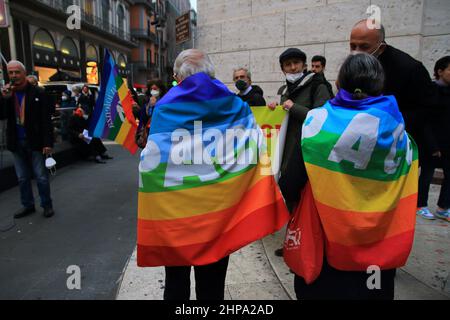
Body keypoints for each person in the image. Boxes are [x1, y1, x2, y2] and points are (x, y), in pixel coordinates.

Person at [137, 49, 289, 300]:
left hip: (176, 214)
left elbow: (152, 162)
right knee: (213, 282)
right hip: (219, 213)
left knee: (176, 280)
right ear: (212, 73)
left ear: (178, 77)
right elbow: (255, 149)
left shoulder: (165, 107)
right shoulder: (235, 105)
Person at [289, 53, 418, 300]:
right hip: (379, 254)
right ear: (380, 86)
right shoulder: (401, 135)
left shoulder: (317, 125)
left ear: (338, 83)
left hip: (326, 250)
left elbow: (291, 183)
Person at [349, 20, 437, 219]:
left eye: (364, 47)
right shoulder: (354, 66)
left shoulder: (410, 69)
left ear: (381, 47)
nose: (356, 52)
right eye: (352, 46)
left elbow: (427, 109)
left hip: (393, 147)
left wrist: (387, 123)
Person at [269, 48, 333, 257]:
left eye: (296, 63)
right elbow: (285, 118)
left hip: (310, 152)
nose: (293, 67)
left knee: (305, 197)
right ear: (282, 69)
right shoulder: (285, 90)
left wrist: (293, 107)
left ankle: (312, 242)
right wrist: (274, 111)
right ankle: (294, 241)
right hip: (290, 152)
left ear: (304, 65)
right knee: (291, 194)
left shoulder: (317, 84)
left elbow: (322, 119)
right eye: (288, 65)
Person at [0, 60, 55, 218]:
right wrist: (4, 98)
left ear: (24, 73)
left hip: (35, 141)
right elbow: (2, 115)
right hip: (16, 141)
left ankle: (46, 204)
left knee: (41, 176)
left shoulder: (38, 92)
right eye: (10, 72)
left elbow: (46, 119)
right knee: (22, 177)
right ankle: (27, 205)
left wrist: (47, 143)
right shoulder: (8, 94)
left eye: (17, 72)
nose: (14, 75)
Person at [417, 56, 450, 221]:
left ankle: (443, 207)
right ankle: (421, 205)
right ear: (440, 71)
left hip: (447, 141)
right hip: (431, 142)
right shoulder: (431, 91)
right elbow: (425, 120)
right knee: (427, 174)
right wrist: (432, 145)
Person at [135, 79, 167, 149]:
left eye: (155, 89)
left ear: (161, 90)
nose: (153, 91)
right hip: (149, 132)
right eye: (151, 89)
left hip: (162, 132)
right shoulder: (146, 100)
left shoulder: (166, 100)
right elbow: (143, 117)